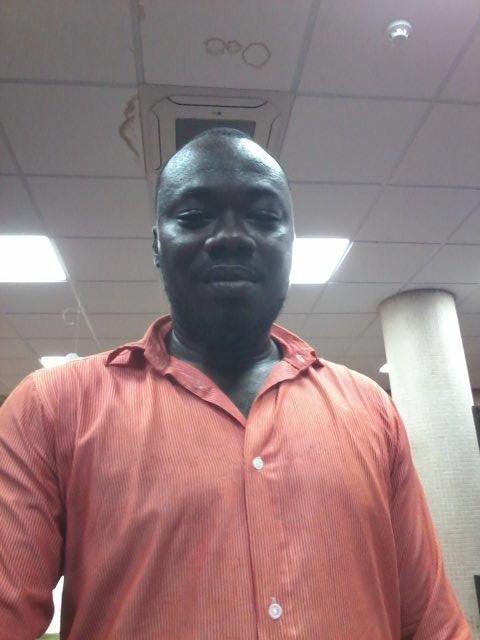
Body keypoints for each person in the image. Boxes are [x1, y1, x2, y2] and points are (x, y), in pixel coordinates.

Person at [0, 128, 471, 639]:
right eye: (194, 216)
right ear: (157, 245)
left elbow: (433, 625)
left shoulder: (372, 410)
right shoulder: (52, 409)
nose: (231, 236)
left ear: (290, 243)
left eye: (264, 216)